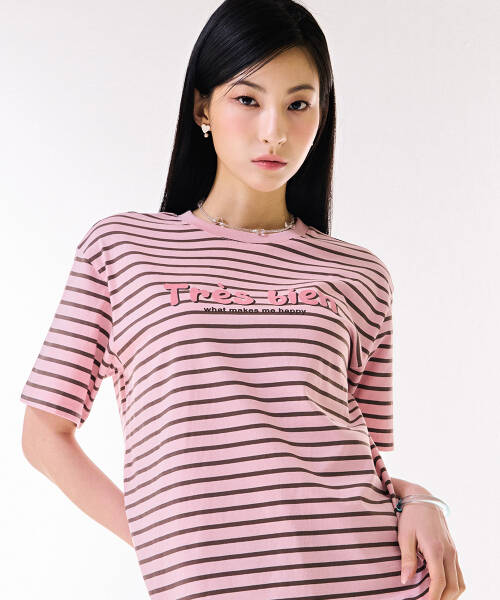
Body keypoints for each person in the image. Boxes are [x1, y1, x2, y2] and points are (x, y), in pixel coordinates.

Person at [20, 0, 465, 598]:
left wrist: (423, 500)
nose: (274, 130)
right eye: (248, 99)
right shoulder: (122, 249)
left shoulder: (361, 274)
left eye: (298, 104)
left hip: (378, 576)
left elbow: (347, 450)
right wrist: (166, 546)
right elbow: (43, 435)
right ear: (202, 106)